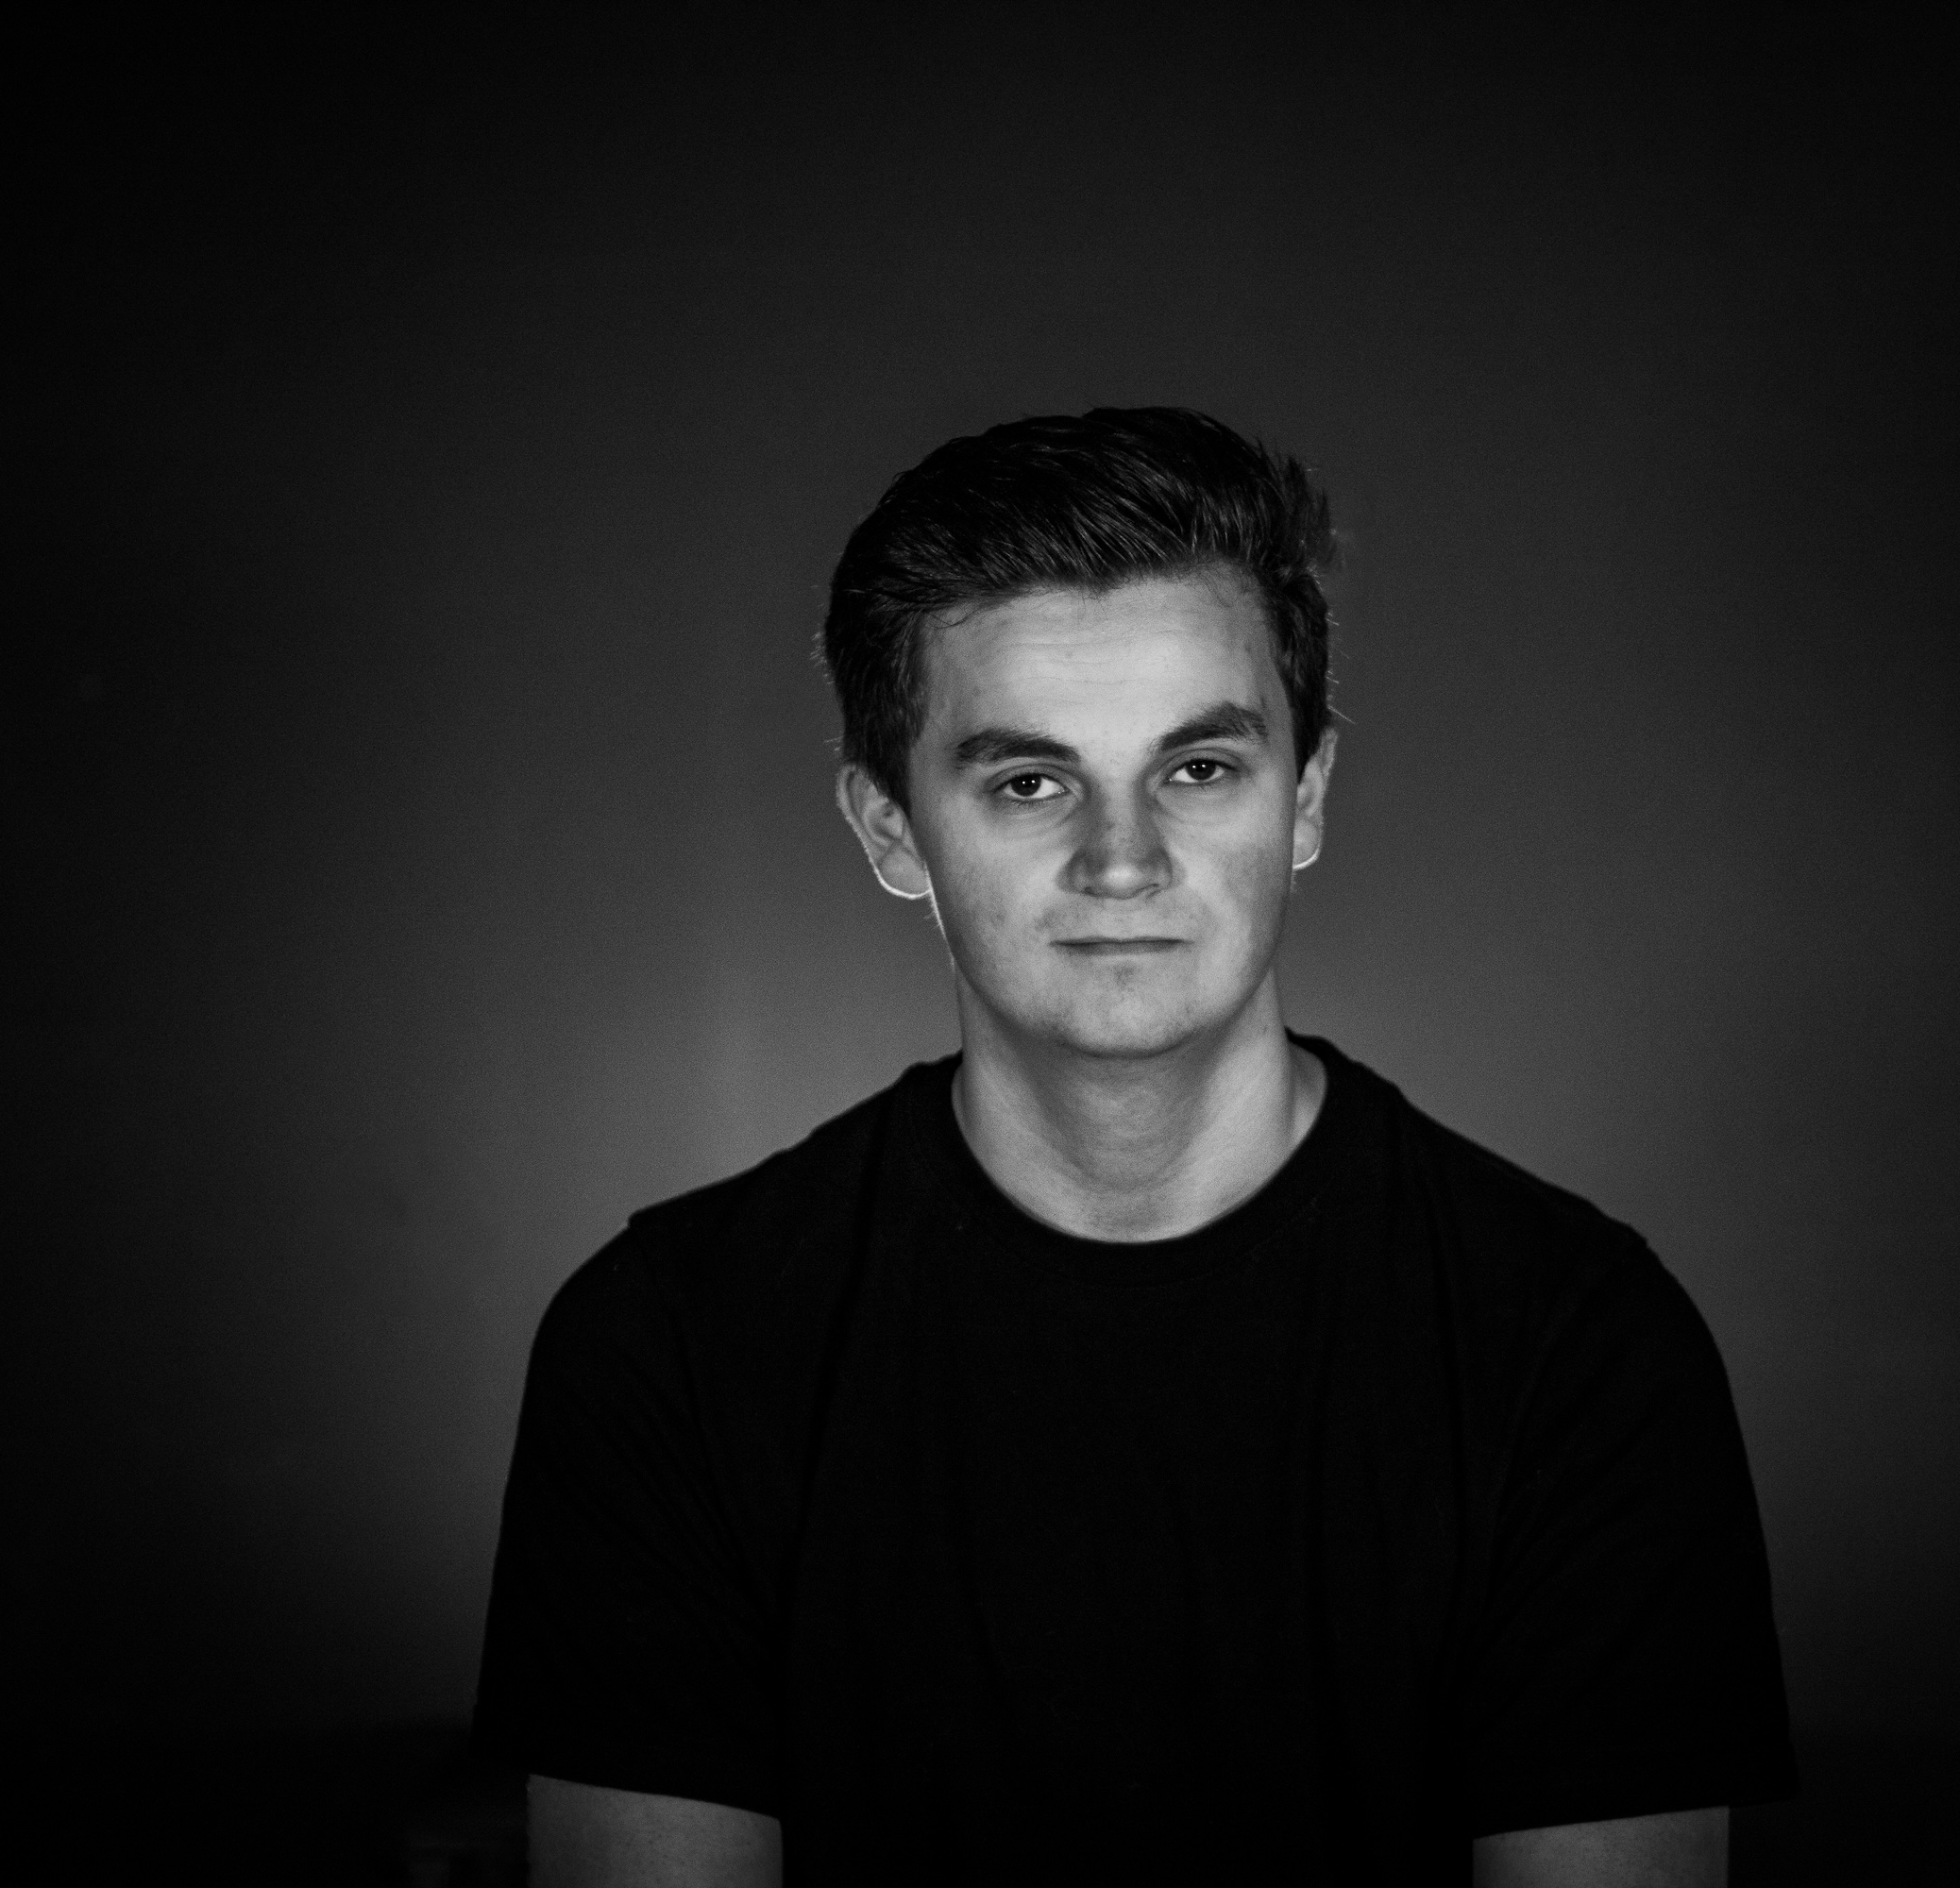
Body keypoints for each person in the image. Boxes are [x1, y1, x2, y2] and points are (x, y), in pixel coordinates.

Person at [475, 408, 1796, 1884]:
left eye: (1199, 769)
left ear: (1303, 798)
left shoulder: (1578, 1344)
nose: (1122, 862)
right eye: (1028, 782)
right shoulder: (666, 1344)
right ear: (890, 829)